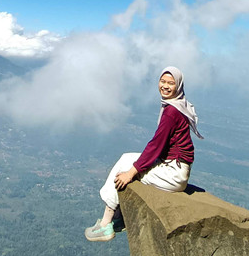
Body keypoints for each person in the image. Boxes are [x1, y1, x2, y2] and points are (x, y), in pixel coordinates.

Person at [85, 66, 203, 242]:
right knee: (126, 158)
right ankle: (117, 219)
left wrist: (131, 173)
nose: (165, 86)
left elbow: (156, 145)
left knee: (126, 170)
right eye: (162, 81)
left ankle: (105, 225)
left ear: (178, 85)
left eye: (171, 83)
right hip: (175, 167)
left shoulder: (172, 112)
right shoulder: (178, 105)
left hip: (173, 173)